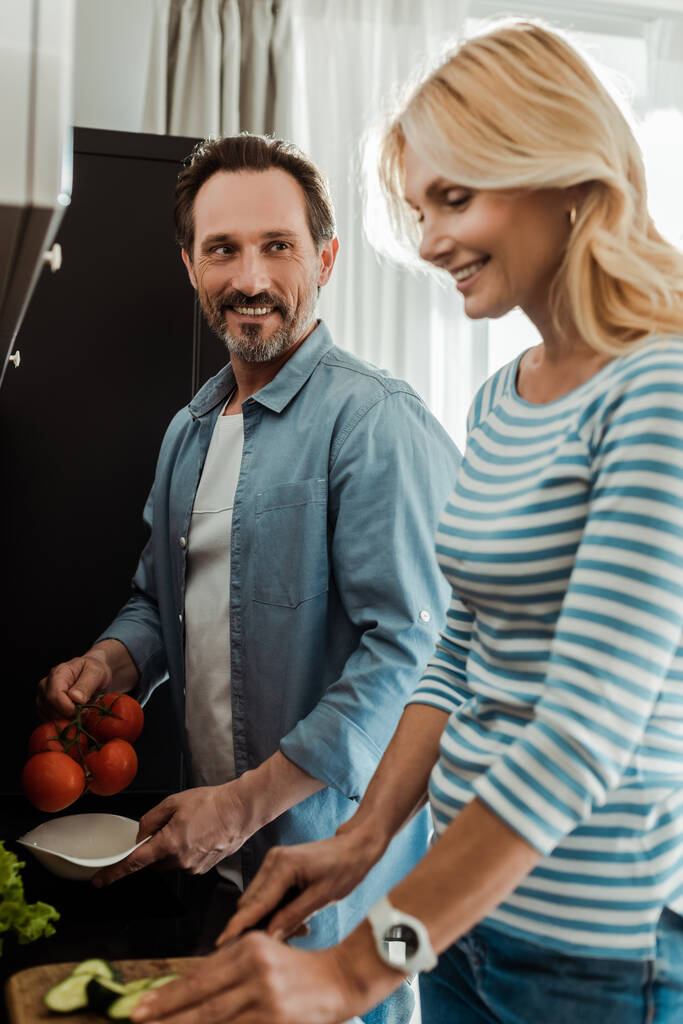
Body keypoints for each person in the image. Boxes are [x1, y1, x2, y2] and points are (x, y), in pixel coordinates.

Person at [124, 19, 683, 1024]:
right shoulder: (502, 397)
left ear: (560, 175)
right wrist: (361, 838)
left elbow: (578, 734)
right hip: (463, 922)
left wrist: (355, 970)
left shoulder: (658, 390)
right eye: (420, 207)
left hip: (598, 949)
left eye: (454, 200)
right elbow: (453, 652)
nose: (427, 242)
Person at [36, 134, 461, 1023]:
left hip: (338, 891)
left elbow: (413, 655)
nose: (251, 277)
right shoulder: (187, 434)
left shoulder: (374, 423)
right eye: (223, 249)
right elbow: (164, 599)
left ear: (326, 258)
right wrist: (112, 663)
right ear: (190, 263)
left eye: (278, 246)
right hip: (220, 868)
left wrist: (244, 805)